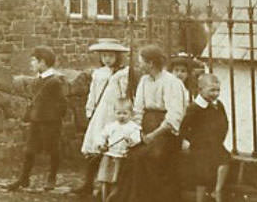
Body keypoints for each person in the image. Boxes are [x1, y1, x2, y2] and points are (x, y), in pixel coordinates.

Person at [107, 44, 188, 202]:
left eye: (141, 61)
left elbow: (174, 115)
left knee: (150, 158)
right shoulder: (144, 80)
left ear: (151, 63)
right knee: (132, 155)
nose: (139, 65)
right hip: (146, 129)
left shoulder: (172, 82)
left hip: (165, 132)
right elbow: (138, 109)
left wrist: (153, 135)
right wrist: (136, 131)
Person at [7, 46, 67, 192]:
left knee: (53, 150)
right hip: (36, 121)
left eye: (34, 61)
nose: (31, 64)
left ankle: (52, 178)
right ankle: (24, 178)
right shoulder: (37, 80)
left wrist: (53, 118)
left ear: (43, 62)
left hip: (51, 123)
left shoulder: (55, 81)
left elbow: (63, 104)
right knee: (29, 150)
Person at [77, 38, 130, 196]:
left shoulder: (123, 73)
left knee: (112, 148)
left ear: (117, 56)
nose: (107, 59)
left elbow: (124, 93)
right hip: (100, 113)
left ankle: (108, 184)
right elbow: (93, 94)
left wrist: (124, 111)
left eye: (111, 56)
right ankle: (88, 182)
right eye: (104, 55)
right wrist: (90, 110)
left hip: (115, 113)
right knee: (95, 146)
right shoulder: (98, 73)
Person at [179, 74, 230, 202]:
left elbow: (224, 122)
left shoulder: (218, 105)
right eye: (212, 90)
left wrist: (220, 137)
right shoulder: (195, 108)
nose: (215, 93)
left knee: (225, 159)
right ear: (200, 90)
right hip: (199, 144)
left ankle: (217, 190)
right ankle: (200, 198)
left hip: (215, 142)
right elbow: (185, 126)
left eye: (218, 90)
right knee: (202, 172)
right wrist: (186, 140)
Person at [95, 98, 142, 201]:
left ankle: (112, 199)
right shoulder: (111, 126)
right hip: (109, 156)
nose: (121, 116)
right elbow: (101, 136)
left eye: (125, 113)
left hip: (122, 158)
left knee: (117, 181)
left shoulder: (133, 127)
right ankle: (104, 198)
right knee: (105, 180)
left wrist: (130, 140)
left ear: (131, 113)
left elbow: (137, 140)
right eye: (118, 113)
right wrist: (101, 144)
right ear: (114, 113)